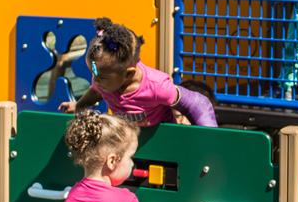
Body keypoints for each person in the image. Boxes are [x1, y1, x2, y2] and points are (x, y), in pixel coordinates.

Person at [61, 17, 217, 127]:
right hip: (130, 136)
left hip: (161, 134)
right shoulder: (104, 80)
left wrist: (207, 136)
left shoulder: (157, 86)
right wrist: (79, 106)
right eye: (93, 72)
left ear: (128, 74)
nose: (95, 79)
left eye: (100, 76)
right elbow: (96, 92)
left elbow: (198, 103)